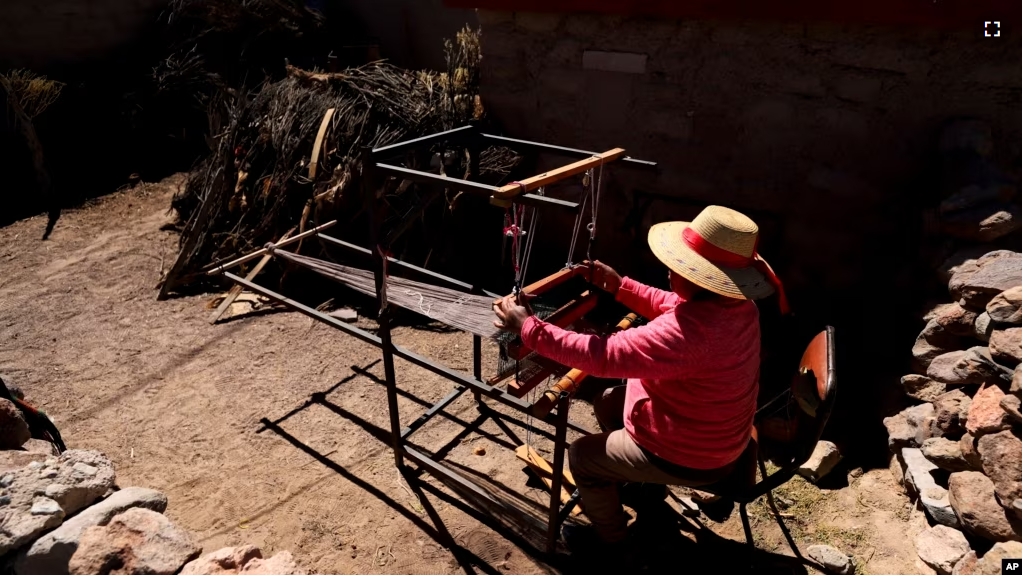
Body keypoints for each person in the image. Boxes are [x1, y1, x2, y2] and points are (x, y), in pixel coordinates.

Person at [493, 205, 789, 552]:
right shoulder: (739, 308)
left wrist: (529, 327)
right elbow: (671, 303)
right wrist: (620, 287)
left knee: (582, 456)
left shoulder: (685, 334)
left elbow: (602, 356)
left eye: (678, 267)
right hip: (717, 435)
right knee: (607, 402)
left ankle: (614, 543)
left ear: (700, 278)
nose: (668, 272)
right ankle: (642, 485)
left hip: (693, 455)